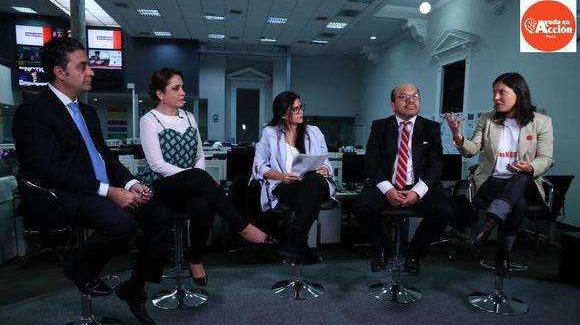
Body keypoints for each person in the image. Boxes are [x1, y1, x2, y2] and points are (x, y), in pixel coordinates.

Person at [12, 37, 172, 325]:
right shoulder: (33, 112)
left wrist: (130, 184)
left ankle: (134, 289)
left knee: (160, 215)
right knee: (122, 223)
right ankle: (79, 267)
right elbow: (52, 170)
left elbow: (107, 159)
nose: (92, 71)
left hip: (99, 189)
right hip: (63, 194)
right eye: (83, 66)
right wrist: (109, 192)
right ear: (60, 72)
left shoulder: (86, 112)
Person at [140, 67, 272, 285]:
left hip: (190, 186)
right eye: (176, 88)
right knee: (200, 178)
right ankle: (243, 227)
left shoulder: (190, 117)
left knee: (204, 205)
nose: (183, 92)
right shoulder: (150, 120)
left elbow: (199, 155)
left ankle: (195, 258)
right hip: (159, 187)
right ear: (160, 94)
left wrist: (195, 177)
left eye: (182, 86)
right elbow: (157, 164)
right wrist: (194, 176)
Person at [445, 72, 553, 276]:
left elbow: (546, 158)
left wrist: (529, 168)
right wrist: (458, 136)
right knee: (517, 203)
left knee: (520, 179)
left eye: (502, 92)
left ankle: (486, 227)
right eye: (494, 93)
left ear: (519, 93)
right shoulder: (487, 119)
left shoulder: (541, 122)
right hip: (493, 182)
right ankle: (501, 253)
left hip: (526, 182)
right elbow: (472, 149)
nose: (496, 97)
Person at [352, 83, 453, 274]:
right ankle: (381, 248)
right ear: (392, 104)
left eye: (415, 96)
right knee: (361, 206)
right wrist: (388, 189)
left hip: (417, 186)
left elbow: (436, 166)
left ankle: (414, 252)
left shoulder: (431, 128)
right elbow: (371, 162)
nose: (411, 100)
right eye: (403, 97)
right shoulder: (380, 126)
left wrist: (417, 192)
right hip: (386, 185)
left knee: (444, 210)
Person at [253, 91, 336, 264]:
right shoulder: (270, 133)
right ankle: (300, 245)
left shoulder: (314, 131)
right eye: (295, 109)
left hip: (313, 182)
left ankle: (293, 237)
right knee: (310, 201)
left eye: (301, 107)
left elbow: (325, 159)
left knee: (314, 179)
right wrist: (282, 176)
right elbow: (259, 166)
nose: (301, 112)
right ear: (283, 114)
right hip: (286, 184)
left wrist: (325, 169)